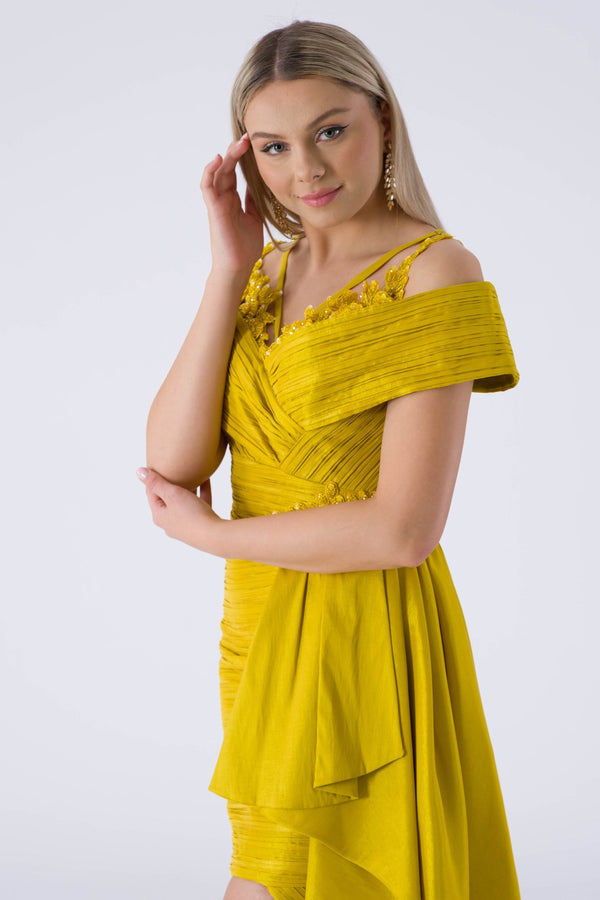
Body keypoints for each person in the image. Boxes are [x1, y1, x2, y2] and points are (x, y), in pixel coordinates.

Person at [136, 20, 521, 900]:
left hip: (360, 629)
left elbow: (402, 532)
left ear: (382, 119)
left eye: (330, 130)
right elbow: (171, 459)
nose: (304, 169)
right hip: (255, 629)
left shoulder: (435, 271)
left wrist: (209, 536)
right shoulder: (263, 273)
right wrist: (226, 270)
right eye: (273, 146)